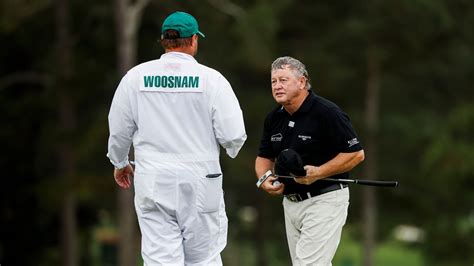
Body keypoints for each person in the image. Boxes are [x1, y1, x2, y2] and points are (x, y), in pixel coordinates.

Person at [107, 11, 247, 265]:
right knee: (204, 258)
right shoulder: (212, 80)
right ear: (194, 40)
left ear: (164, 40)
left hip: (153, 179)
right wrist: (229, 149)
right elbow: (233, 135)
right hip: (201, 179)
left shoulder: (135, 78)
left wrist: (119, 163)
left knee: (160, 260)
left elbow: (118, 131)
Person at [255, 56, 364, 265]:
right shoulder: (274, 118)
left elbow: (356, 154)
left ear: (302, 82)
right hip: (291, 203)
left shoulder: (327, 112)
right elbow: (264, 156)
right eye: (273, 81)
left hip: (325, 199)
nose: (277, 86)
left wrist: (319, 172)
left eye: (283, 80)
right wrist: (264, 179)